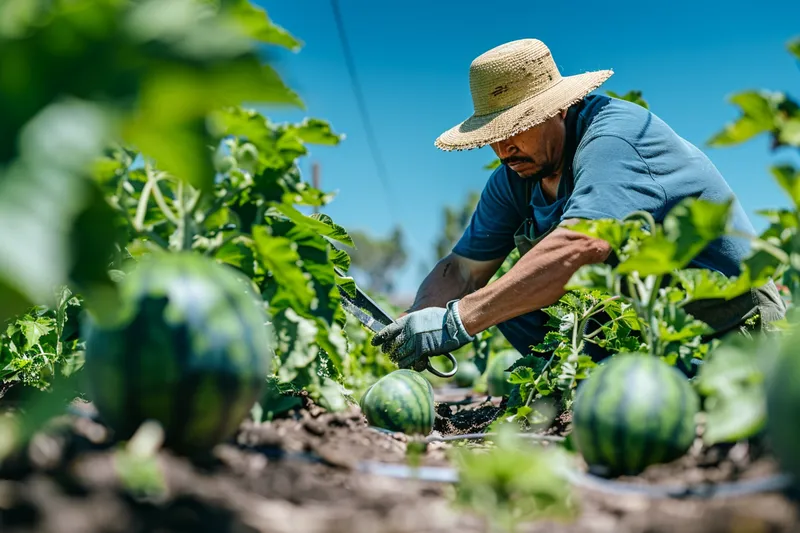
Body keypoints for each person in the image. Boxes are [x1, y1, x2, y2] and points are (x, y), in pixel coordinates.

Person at [370, 38, 785, 371]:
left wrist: (458, 321)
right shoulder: (515, 177)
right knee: (510, 299)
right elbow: (462, 270)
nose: (503, 146)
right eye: (493, 134)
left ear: (559, 107)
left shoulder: (613, 139)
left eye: (516, 126)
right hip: (645, 342)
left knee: (517, 288)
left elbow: (581, 246)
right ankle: (597, 389)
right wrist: (418, 321)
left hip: (732, 327)